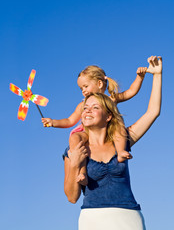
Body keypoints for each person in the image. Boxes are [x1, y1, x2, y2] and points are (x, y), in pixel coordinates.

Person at [63, 56, 162, 230]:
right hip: (91, 219)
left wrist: (157, 75)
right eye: (85, 108)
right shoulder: (75, 148)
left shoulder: (122, 140)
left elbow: (153, 112)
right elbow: (72, 197)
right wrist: (74, 165)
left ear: (108, 116)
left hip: (129, 216)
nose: (87, 111)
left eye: (95, 107)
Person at [42, 65, 146, 185]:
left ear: (100, 84)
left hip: (109, 131)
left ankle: (121, 151)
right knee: (75, 138)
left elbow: (131, 92)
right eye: (81, 88)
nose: (83, 91)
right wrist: (53, 122)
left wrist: (140, 77)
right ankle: (82, 172)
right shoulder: (83, 105)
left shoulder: (111, 98)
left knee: (119, 124)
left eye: (86, 86)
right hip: (87, 133)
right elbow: (70, 121)